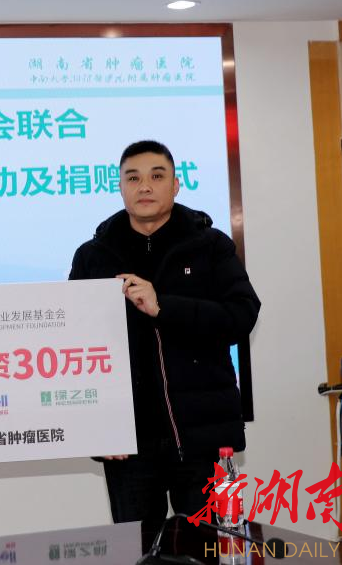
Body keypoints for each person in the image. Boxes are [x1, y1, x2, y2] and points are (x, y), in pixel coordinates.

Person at [69, 140, 261, 525]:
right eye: (133, 178)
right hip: (127, 443)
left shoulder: (210, 246)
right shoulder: (94, 256)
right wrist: (96, 427)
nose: (145, 186)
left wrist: (164, 307)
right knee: (138, 549)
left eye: (157, 176)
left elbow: (242, 315)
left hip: (202, 439)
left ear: (175, 185)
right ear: (120, 187)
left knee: (205, 548)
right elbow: (75, 348)